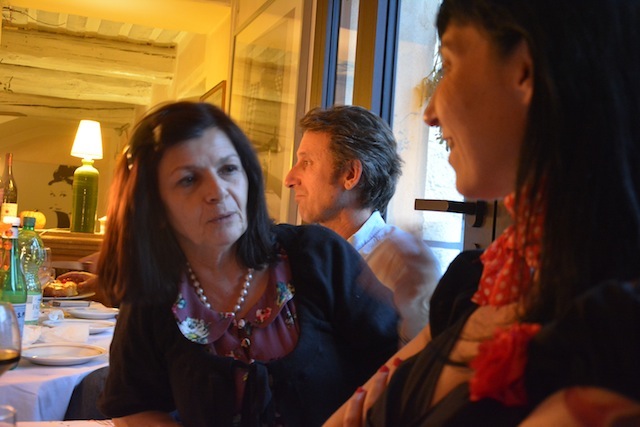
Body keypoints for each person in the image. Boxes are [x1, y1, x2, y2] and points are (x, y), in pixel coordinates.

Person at [325, 0, 640, 425]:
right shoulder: (480, 281)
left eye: (449, 64)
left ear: (524, 71)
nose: (430, 113)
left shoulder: (614, 335)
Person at [94, 101, 400, 426]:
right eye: (188, 180)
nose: (218, 191)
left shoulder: (317, 255)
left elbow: (397, 367)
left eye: (228, 169)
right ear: (154, 205)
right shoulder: (153, 292)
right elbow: (133, 406)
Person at [285, 105, 441, 343]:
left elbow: (416, 360)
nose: (289, 179)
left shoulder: (402, 268)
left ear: (350, 174)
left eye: (306, 162)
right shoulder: (299, 252)